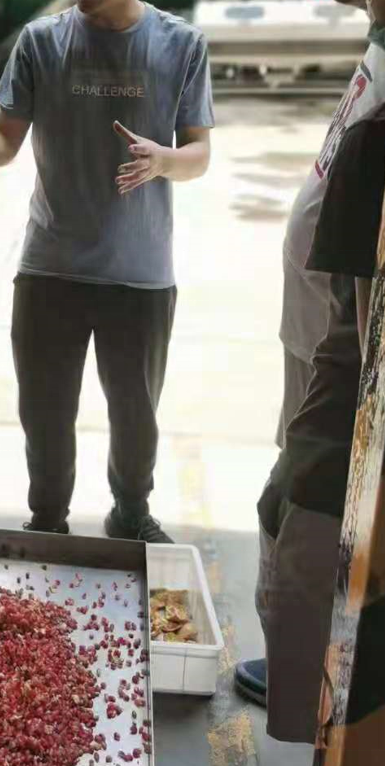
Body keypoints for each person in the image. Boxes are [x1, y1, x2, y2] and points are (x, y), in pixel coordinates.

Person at [0, 0, 214, 543]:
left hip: (140, 270)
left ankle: (129, 511)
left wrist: (163, 160)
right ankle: (47, 521)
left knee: (135, 414)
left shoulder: (181, 44)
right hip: (51, 267)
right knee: (45, 413)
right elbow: (6, 140)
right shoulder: (41, 42)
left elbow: (199, 152)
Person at [239, 103, 385, 766]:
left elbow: (367, 356)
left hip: (345, 466)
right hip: (334, 443)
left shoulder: (376, 137)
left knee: (347, 682)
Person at [234, 0, 385, 707]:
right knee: (303, 498)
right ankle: (306, 663)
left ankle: (321, 678)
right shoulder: (377, 39)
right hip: (318, 335)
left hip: (347, 348)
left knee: (315, 506)